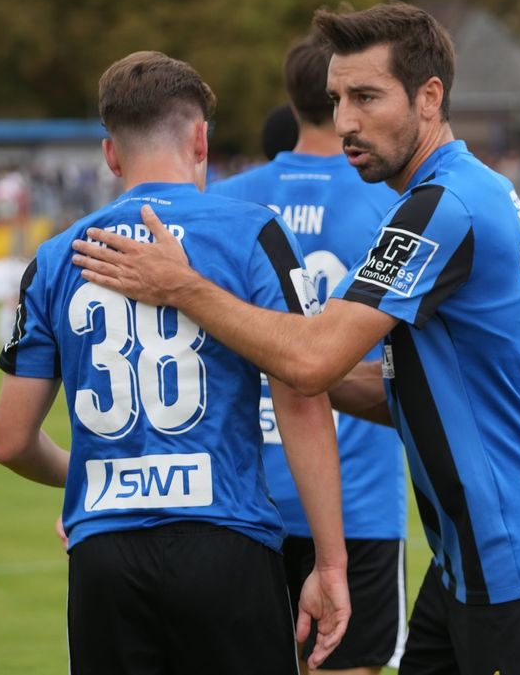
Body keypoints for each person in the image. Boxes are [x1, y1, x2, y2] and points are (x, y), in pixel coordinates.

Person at [72, 3, 520, 675]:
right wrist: (243, 354)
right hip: (468, 559)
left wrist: (184, 288)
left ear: (429, 97)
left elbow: (314, 358)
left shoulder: (443, 207)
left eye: (366, 97)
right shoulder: (450, 192)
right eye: (336, 99)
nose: (346, 120)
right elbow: (399, 388)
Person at [0, 50, 350, 674]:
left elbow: (9, 440)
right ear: (201, 139)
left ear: (111, 154)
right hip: (227, 543)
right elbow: (301, 398)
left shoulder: (55, 258)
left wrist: (91, 478)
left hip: (105, 557)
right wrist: (331, 562)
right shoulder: (251, 232)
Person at [209, 34, 406, 675]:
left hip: (239, 500)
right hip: (355, 502)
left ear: (292, 103)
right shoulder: (395, 202)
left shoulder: (226, 202)